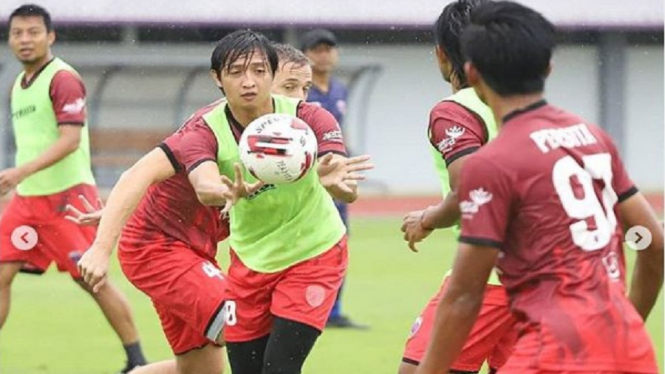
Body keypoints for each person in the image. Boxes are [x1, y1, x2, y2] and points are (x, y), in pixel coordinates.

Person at [77, 30, 372, 374]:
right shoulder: (206, 130)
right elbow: (164, 178)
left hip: (203, 249)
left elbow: (341, 177)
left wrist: (339, 183)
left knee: (200, 370)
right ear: (221, 80)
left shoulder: (303, 125)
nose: (299, 97)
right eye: (290, 86)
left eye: (305, 89)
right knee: (248, 344)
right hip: (161, 248)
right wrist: (101, 246)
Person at [415, 2, 663, 373]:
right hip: (628, 349)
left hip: (554, 351)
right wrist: (626, 325)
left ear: (472, 73)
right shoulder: (590, 137)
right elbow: (651, 240)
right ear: (548, 67)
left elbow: (465, 295)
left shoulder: (491, 164)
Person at [0, 5, 147, 373]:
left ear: (50, 36)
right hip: (28, 202)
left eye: (33, 32)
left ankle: (136, 359)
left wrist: (19, 171)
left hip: (68, 199)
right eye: (17, 33)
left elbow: (69, 140)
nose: (24, 39)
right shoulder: (18, 83)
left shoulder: (62, 78)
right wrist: (23, 180)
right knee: (1, 273)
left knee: (92, 280)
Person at [399, 1, 517, 373]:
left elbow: (471, 188)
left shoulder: (456, 109)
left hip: (490, 277)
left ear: (441, 55)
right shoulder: (530, 107)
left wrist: (430, 217)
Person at [301, 28, 367, 329]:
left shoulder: (339, 89)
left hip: (336, 178)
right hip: (309, 179)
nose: (324, 55)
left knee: (339, 239)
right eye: (317, 49)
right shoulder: (300, 92)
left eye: (329, 49)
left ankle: (334, 311)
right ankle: (305, 308)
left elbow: (339, 131)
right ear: (305, 55)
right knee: (307, 243)